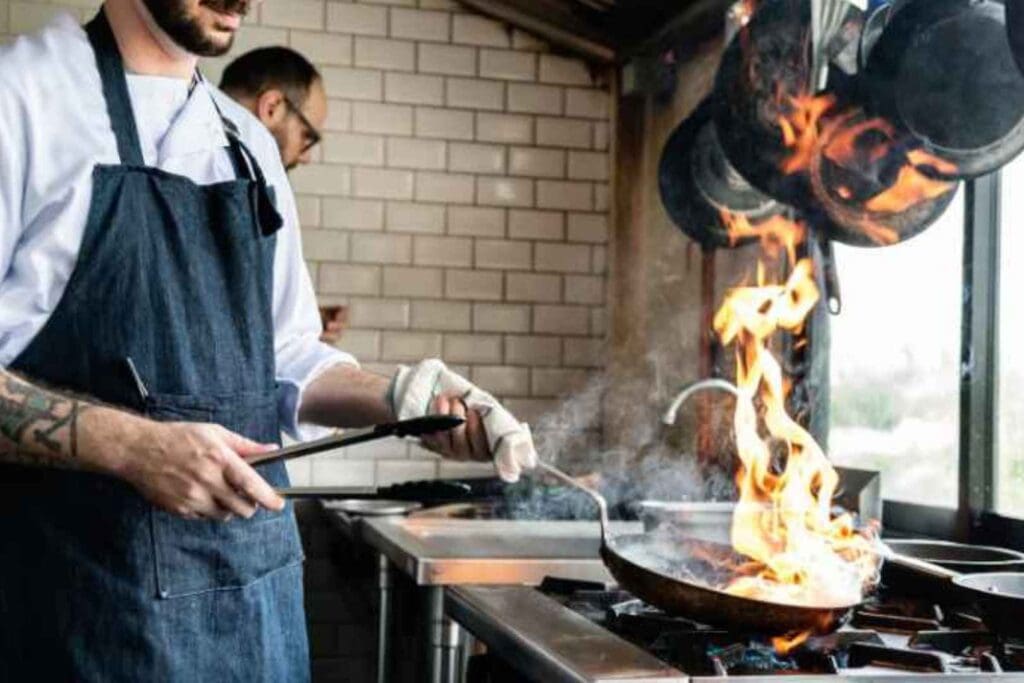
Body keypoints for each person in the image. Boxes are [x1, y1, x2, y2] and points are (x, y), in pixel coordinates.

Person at [0, 0, 537, 680]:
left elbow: (286, 355)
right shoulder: (24, 98)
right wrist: (131, 445)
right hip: (93, 615)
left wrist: (403, 395)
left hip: (255, 611)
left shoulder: (245, 144)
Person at [219, 46, 345, 343]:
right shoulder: (220, 179)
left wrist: (294, 322)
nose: (305, 157)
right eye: (307, 136)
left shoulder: (251, 185)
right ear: (272, 107)